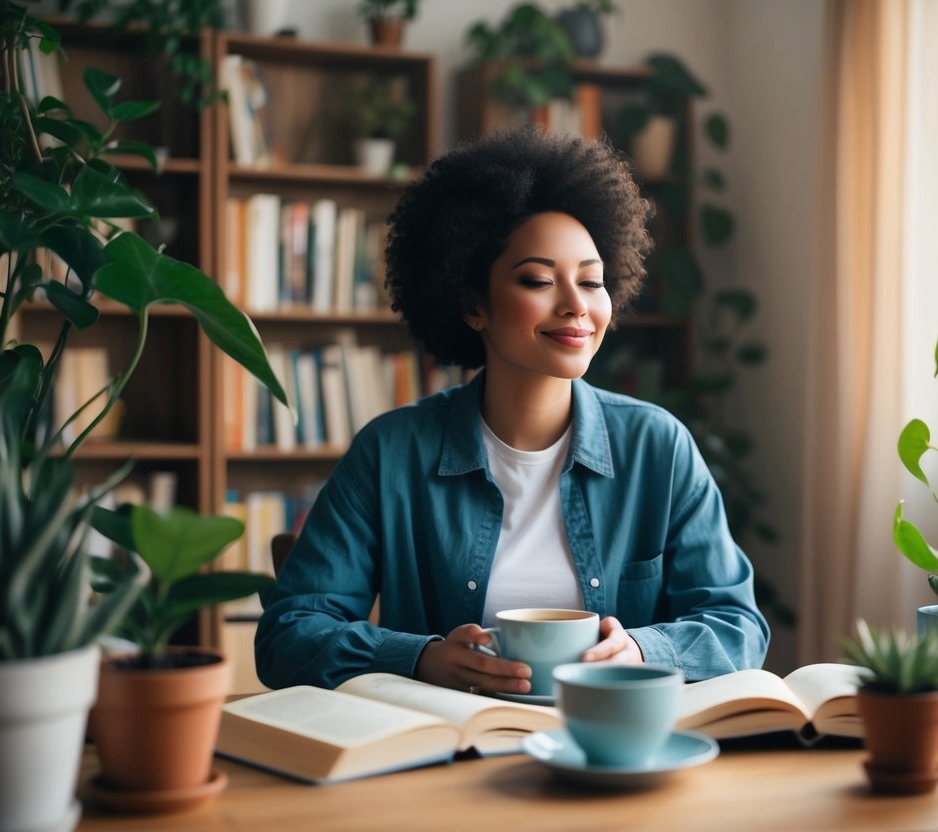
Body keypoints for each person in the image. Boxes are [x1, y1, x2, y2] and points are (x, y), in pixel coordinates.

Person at [255, 125, 770, 695]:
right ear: (474, 304)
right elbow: (289, 635)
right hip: (447, 757)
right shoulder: (391, 453)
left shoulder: (658, 447)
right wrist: (422, 657)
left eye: (592, 282)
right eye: (539, 280)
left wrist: (643, 649)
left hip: (607, 750)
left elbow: (737, 626)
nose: (576, 306)